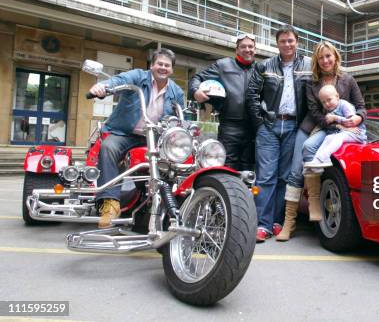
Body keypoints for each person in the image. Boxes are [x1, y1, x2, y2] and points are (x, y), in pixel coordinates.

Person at [276, 41, 366, 241]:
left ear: (335, 57)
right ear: (316, 60)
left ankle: (315, 203)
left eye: (328, 56)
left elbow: (361, 107)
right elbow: (314, 111)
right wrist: (334, 124)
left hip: (341, 130)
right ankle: (289, 222)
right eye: (321, 57)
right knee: (296, 170)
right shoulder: (312, 82)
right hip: (315, 126)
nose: (325, 61)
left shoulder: (348, 80)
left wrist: (358, 118)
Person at [88, 48, 185, 229]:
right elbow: (119, 80)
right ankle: (110, 204)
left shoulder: (176, 92)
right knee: (109, 148)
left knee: (173, 161)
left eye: (167, 65)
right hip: (124, 133)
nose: (163, 68)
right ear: (152, 65)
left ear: (172, 69)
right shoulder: (138, 77)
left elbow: (180, 118)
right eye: (159, 64)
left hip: (154, 137)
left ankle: (167, 204)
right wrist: (103, 87)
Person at [246, 25, 311, 243]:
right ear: (277, 43)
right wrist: (260, 124)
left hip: (294, 126)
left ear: (297, 41)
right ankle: (262, 225)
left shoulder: (308, 66)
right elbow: (252, 95)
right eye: (283, 41)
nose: (287, 44)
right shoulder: (264, 65)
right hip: (270, 126)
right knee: (265, 177)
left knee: (285, 177)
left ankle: (276, 221)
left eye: (291, 40)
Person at [188, 33, 257, 171]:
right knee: (227, 168)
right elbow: (197, 78)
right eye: (243, 46)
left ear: (255, 50)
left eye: (251, 46)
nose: (247, 49)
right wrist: (196, 91)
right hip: (230, 127)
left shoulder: (260, 69)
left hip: (253, 128)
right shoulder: (223, 65)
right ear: (236, 50)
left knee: (249, 170)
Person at [303, 85, 366, 168]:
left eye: (329, 100)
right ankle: (317, 160)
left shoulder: (344, 105)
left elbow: (351, 122)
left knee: (338, 138)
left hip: (356, 133)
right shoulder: (331, 109)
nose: (327, 104)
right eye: (323, 102)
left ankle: (323, 158)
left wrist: (335, 118)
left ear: (337, 96)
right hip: (346, 132)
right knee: (329, 138)